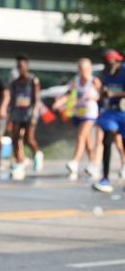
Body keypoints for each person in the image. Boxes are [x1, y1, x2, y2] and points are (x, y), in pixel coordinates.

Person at [52, 58, 100, 180]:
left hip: (91, 113)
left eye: (83, 69)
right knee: (86, 140)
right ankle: (94, 164)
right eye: (79, 69)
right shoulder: (76, 81)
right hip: (79, 112)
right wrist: (59, 103)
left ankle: (75, 161)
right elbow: (68, 94)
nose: (81, 72)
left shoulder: (93, 81)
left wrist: (94, 96)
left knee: (80, 136)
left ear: (89, 69)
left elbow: (102, 95)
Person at [93, 49, 125, 192]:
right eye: (105, 62)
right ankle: (105, 178)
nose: (107, 65)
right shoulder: (104, 74)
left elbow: (114, 92)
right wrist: (100, 94)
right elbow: (102, 93)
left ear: (117, 61)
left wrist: (114, 94)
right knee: (107, 141)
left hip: (123, 111)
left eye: (110, 62)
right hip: (111, 112)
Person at [8, 55, 42, 180]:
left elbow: (37, 98)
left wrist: (34, 113)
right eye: (18, 66)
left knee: (29, 139)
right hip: (17, 113)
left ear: (26, 66)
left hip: (29, 113)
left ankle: (37, 153)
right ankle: (19, 162)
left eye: (21, 66)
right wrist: (9, 116)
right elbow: (11, 100)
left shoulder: (33, 80)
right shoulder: (15, 83)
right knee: (15, 138)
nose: (19, 69)